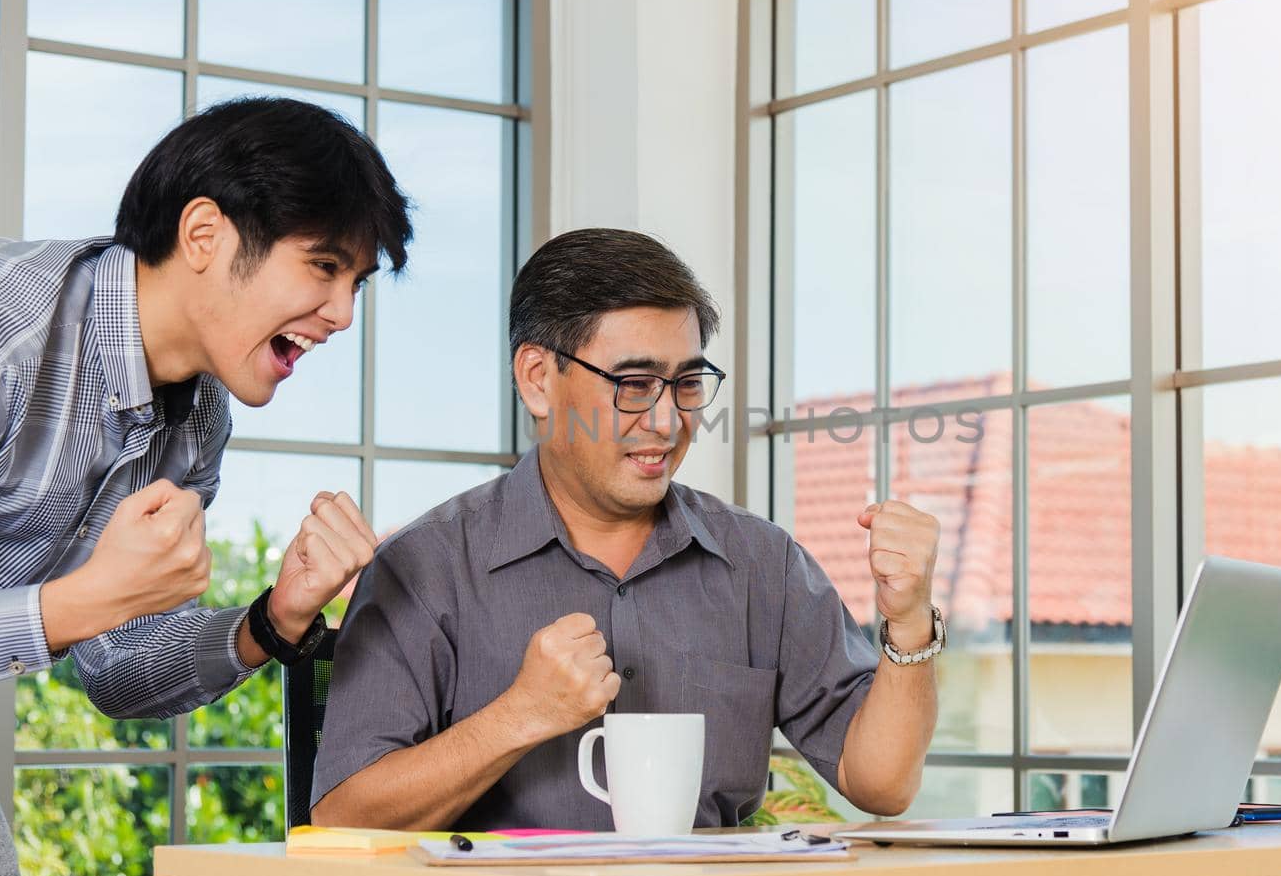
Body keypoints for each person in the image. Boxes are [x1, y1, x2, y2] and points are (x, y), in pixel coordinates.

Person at [312, 228, 941, 832]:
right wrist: (518, 717)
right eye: (634, 385)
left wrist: (909, 621)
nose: (668, 421)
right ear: (538, 379)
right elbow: (344, 816)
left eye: (688, 383)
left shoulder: (762, 563)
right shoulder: (424, 568)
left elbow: (882, 784)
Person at [0, 97, 411, 876]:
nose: (342, 315)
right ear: (204, 234)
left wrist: (273, 620)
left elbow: (119, 671)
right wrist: (74, 602)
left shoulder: (197, 418)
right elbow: (79, 614)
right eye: (324, 266)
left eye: (356, 284)